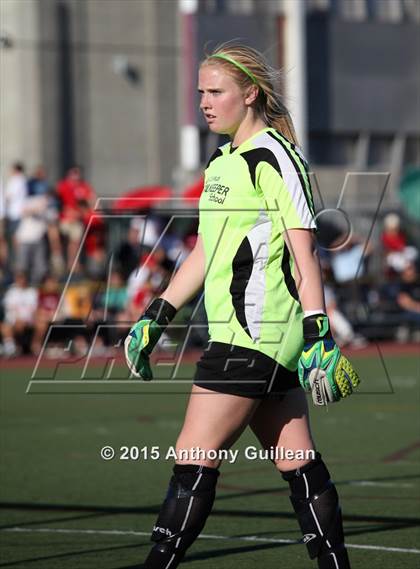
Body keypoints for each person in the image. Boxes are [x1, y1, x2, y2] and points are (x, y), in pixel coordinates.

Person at [125, 44, 360, 569]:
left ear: (250, 93)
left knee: (192, 459)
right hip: (253, 337)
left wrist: (319, 333)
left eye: (216, 92)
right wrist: (156, 313)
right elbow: (207, 250)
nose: (204, 103)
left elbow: (305, 254)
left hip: (255, 336)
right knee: (298, 462)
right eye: (201, 92)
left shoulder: (276, 157)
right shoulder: (222, 160)